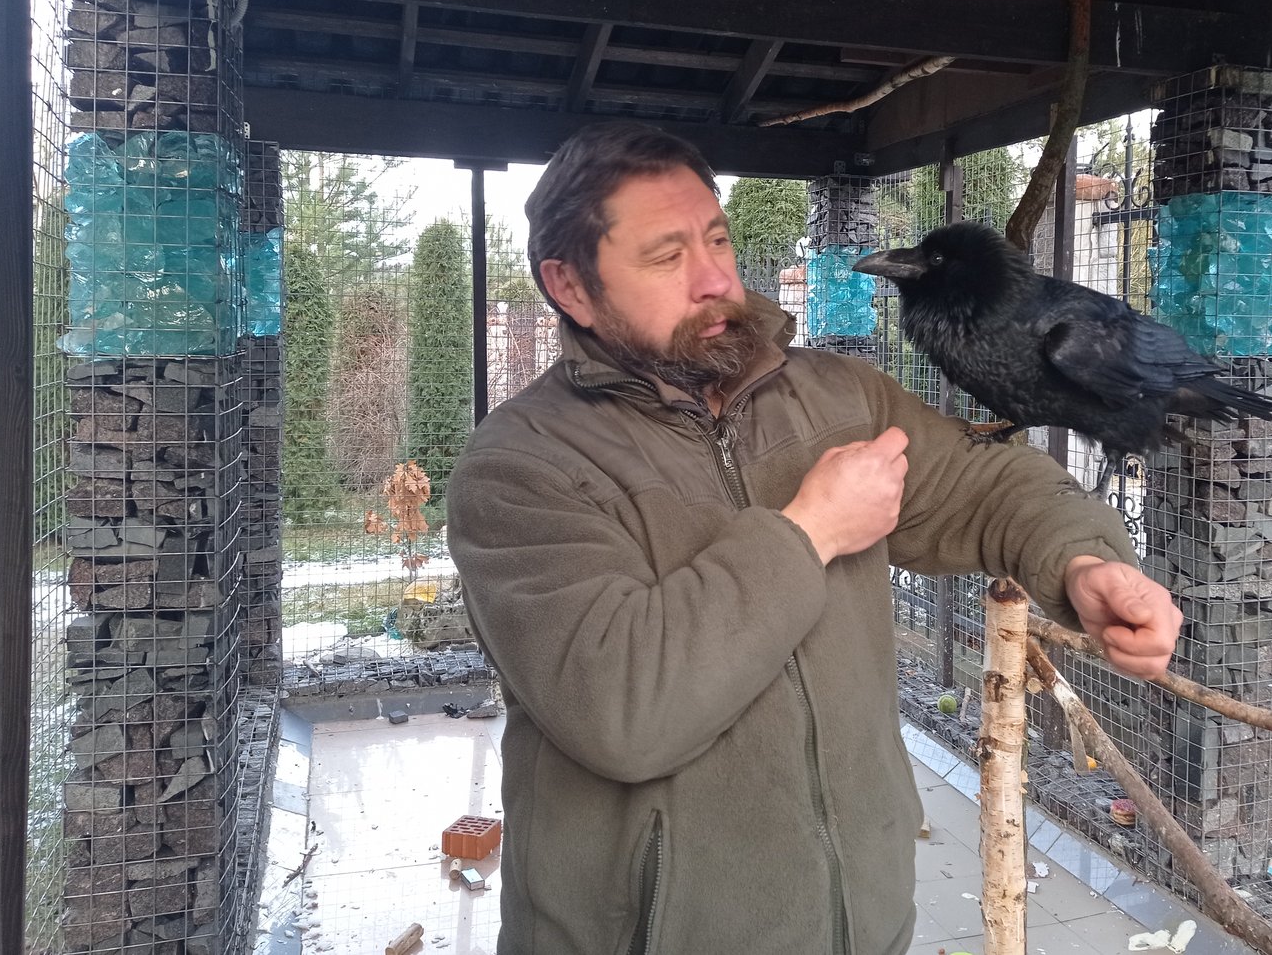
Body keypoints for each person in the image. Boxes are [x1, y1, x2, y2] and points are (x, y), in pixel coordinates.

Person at [447, 121, 1183, 955]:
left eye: (716, 239)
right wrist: (809, 534)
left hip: (862, 921)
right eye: (666, 256)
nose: (715, 278)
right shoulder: (521, 467)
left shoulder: (834, 394)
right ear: (571, 287)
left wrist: (1081, 561)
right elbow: (623, 711)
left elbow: (983, 484)